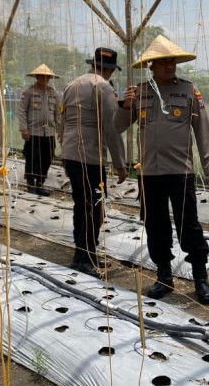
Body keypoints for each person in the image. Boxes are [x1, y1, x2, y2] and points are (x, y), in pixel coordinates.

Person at [114, 35, 209, 305]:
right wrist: (125, 107)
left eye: (172, 60)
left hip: (180, 171)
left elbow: (203, 130)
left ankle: (200, 276)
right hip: (149, 173)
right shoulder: (138, 93)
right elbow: (118, 126)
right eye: (163, 61)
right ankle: (163, 276)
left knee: (189, 226)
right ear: (152, 65)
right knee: (155, 225)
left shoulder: (188, 91)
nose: (169, 65)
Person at [60, 47, 127, 278]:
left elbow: (62, 122)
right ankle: (86, 257)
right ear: (108, 70)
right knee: (94, 207)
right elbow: (112, 127)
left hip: (71, 153)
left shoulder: (71, 85)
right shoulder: (104, 87)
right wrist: (120, 162)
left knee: (82, 205)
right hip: (89, 155)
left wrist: (64, 151)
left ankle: (82, 255)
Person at [17, 64, 61, 196]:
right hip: (33, 132)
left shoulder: (54, 93)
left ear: (49, 78)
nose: (44, 78)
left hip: (49, 133)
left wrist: (60, 130)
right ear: (36, 77)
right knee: (32, 158)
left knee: (47, 158)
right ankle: (31, 185)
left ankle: (40, 184)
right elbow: (22, 111)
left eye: (46, 76)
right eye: (41, 76)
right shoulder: (29, 92)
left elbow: (58, 113)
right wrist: (24, 129)